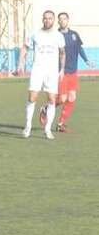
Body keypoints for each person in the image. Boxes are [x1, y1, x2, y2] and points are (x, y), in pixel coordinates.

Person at [16, 10, 65, 140]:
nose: (47, 20)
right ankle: (27, 126)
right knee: (32, 97)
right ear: (42, 19)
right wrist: (20, 63)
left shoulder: (58, 36)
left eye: (50, 18)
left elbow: (62, 53)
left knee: (52, 99)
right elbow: (25, 48)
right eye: (45, 18)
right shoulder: (35, 33)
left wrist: (62, 70)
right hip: (37, 70)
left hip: (52, 72)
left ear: (53, 20)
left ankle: (47, 129)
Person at [46, 12, 94, 133]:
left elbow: (79, 48)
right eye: (60, 19)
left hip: (73, 71)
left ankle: (60, 124)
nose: (62, 21)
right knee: (62, 99)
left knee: (71, 97)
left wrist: (86, 60)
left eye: (64, 19)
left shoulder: (74, 34)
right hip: (61, 71)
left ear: (68, 20)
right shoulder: (55, 35)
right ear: (58, 21)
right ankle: (46, 108)